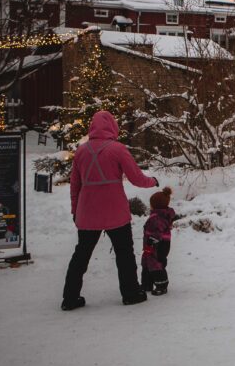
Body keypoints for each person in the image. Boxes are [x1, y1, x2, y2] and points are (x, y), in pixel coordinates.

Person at [62, 111, 159, 310]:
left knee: (81, 255)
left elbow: (75, 185)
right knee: (124, 253)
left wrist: (75, 211)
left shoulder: (81, 151)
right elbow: (136, 178)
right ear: (112, 127)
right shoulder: (118, 149)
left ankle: (70, 298)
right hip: (115, 211)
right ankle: (131, 293)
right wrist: (153, 182)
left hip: (87, 211)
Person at [142, 187, 177, 296]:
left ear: (155, 205)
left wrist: (151, 241)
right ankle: (146, 284)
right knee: (146, 262)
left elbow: (157, 232)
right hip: (153, 245)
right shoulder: (160, 215)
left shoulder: (157, 218)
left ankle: (161, 285)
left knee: (156, 263)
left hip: (158, 245)